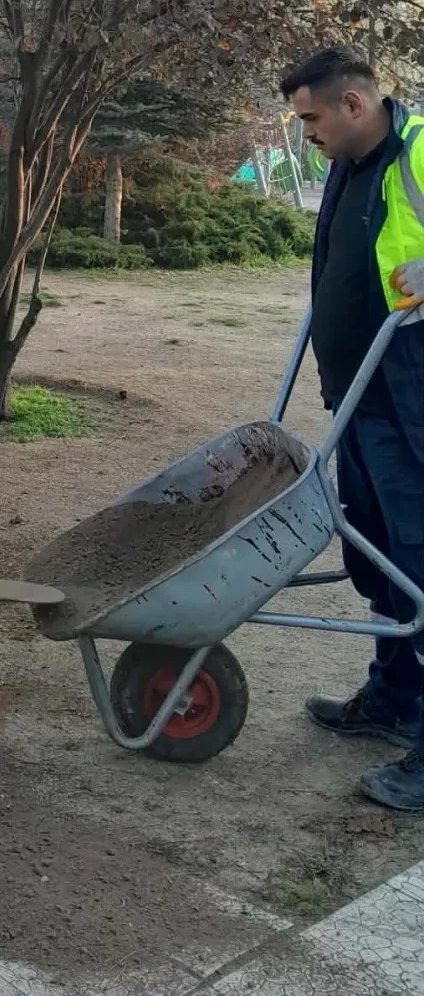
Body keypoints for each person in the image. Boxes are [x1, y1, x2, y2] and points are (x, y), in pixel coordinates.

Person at [282, 47, 424, 812]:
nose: (306, 132)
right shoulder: (345, 164)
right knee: (377, 556)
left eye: (312, 117)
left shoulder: (420, 152)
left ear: (356, 105)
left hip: (412, 403)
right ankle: (394, 698)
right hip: (359, 398)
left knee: (420, 558)